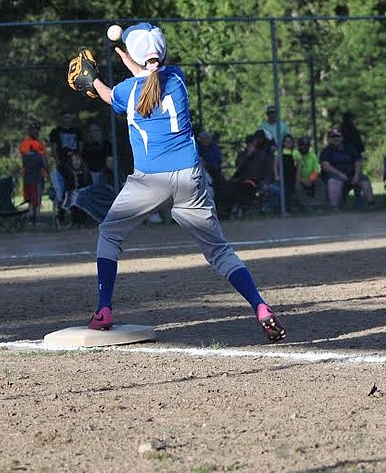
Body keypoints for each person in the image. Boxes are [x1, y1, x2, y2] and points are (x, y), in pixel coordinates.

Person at [78, 22, 284, 342]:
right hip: (190, 177)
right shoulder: (176, 79)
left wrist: (92, 80)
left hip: (148, 181)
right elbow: (151, 76)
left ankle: (104, 308)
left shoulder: (127, 92)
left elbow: (110, 93)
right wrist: (131, 60)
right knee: (219, 251)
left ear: (134, 56)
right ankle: (260, 306)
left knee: (109, 234)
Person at [318, 126, 375, 210]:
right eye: (333, 136)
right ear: (330, 138)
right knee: (333, 182)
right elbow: (325, 165)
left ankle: (371, 204)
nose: (335, 138)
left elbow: (358, 162)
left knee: (365, 181)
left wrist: (356, 175)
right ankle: (334, 207)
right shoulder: (326, 151)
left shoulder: (350, 148)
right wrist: (340, 174)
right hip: (336, 176)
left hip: (352, 175)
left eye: (338, 136)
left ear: (342, 137)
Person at [48, 111, 83, 209]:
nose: (67, 120)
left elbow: (80, 146)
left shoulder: (77, 131)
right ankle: (66, 196)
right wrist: (57, 160)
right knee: (67, 175)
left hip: (75, 160)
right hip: (63, 160)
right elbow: (54, 148)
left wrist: (78, 159)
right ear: (61, 119)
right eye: (65, 118)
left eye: (69, 117)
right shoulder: (56, 132)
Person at [19, 121, 50, 224]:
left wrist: (47, 171)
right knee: (30, 196)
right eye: (32, 130)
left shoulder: (41, 143)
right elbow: (26, 158)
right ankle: (32, 215)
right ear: (29, 131)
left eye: (36, 130)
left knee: (38, 195)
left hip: (39, 174)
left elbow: (44, 158)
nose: (34, 132)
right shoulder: (25, 143)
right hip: (29, 174)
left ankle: (37, 215)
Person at [296, 136, 321, 201]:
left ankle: (319, 203)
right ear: (299, 145)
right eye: (302, 144)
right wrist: (302, 180)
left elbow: (317, 170)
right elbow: (292, 173)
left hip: (310, 179)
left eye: (307, 144)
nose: (305, 146)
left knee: (320, 182)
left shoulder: (312, 155)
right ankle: (304, 204)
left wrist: (310, 179)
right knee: (297, 186)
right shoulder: (295, 154)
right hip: (298, 179)